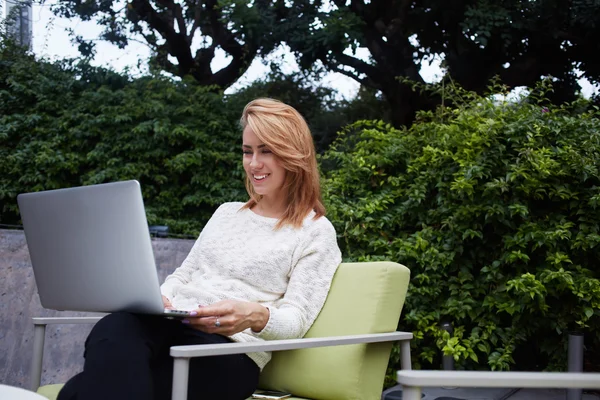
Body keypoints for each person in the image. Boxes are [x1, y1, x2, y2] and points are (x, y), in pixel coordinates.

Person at [57, 98, 342, 400]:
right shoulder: (226, 213)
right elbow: (184, 275)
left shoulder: (315, 232)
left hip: (228, 351)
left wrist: (256, 315)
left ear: (293, 155)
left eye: (266, 151)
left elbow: (296, 319)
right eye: (248, 151)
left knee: (78, 391)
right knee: (115, 325)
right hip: (171, 326)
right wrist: (163, 298)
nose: (254, 164)